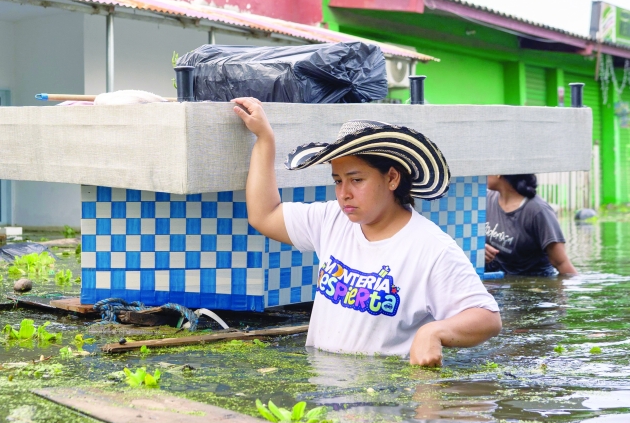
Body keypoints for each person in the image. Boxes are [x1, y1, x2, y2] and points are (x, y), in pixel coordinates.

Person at [232, 98, 501, 367]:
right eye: (338, 181)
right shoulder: (331, 220)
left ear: (392, 178)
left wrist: (434, 331)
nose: (344, 193)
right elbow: (264, 215)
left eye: (356, 180)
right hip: (325, 394)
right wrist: (265, 139)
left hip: (388, 397)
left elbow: (487, 317)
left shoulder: (431, 248)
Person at [485, 174, 576, 276]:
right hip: (496, 284)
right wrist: (479, 249)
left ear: (499, 174)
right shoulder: (485, 201)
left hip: (532, 286)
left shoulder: (538, 211)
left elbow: (561, 263)